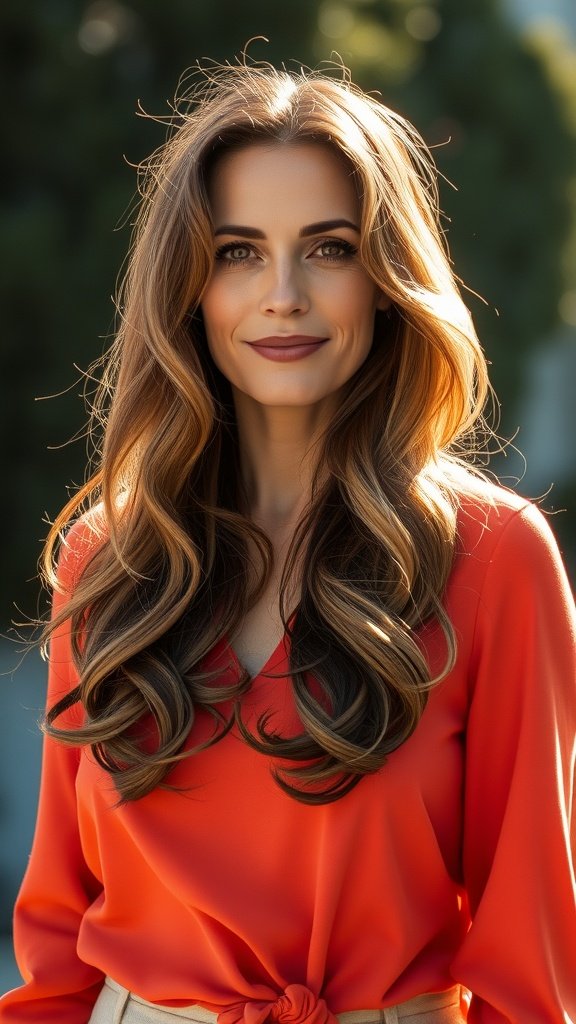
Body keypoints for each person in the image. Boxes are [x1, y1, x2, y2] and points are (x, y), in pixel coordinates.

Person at [0, 59, 574, 1024]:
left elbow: (529, 973)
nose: (284, 295)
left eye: (330, 248)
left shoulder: (497, 559)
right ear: (188, 287)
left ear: (388, 281)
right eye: (236, 252)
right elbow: (57, 955)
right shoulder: (109, 557)